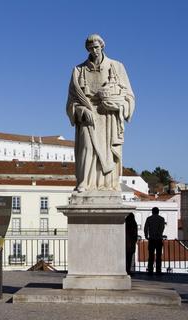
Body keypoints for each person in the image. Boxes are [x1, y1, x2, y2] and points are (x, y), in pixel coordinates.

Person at [66, 34, 135, 192]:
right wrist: (81, 110)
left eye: (96, 47)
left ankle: (108, 184)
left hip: (108, 116)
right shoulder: (78, 70)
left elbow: (129, 96)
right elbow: (71, 101)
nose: (94, 50)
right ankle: (85, 182)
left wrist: (117, 105)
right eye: (90, 48)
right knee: (87, 149)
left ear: (102, 46)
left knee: (108, 152)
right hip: (87, 116)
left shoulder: (116, 66)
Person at [144, 207, 165, 275]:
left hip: (152, 239)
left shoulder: (149, 219)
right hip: (158, 239)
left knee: (151, 255)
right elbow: (162, 228)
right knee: (159, 256)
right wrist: (159, 234)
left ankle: (150, 270)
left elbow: (146, 228)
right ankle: (158, 270)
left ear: (152, 212)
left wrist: (146, 236)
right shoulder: (161, 219)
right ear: (158, 212)